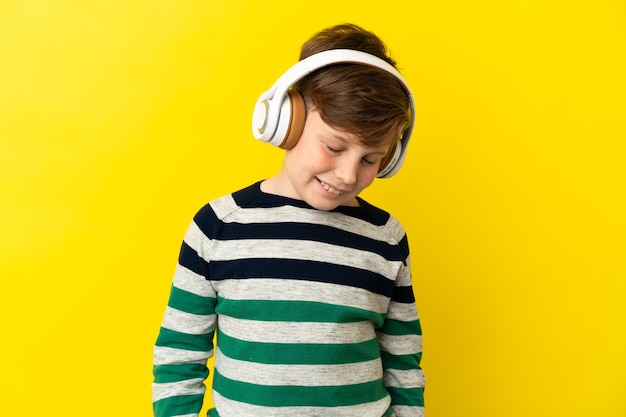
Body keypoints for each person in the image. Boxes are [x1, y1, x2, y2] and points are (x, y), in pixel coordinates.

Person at [152, 23, 425, 417]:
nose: (348, 175)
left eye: (371, 159)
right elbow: (180, 353)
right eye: (334, 146)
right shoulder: (218, 225)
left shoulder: (386, 237)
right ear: (287, 120)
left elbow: (403, 364)